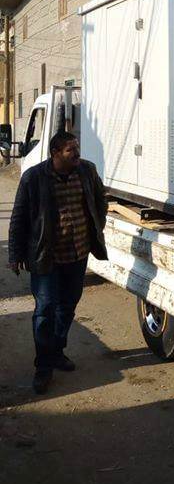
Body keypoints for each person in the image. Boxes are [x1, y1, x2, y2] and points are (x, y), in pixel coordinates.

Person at [8, 131, 108, 394]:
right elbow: (19, 217)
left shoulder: (87, 171)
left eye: (77, 148)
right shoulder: (34, 177)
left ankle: (56, 351)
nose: (77, 154)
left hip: (78, 254)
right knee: (45, 309)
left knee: (68, 305)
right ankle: (43, 366)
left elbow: (101, 199)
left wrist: (96, 226)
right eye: (70, 150)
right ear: (55, 153)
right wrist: (15, 254)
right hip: (46, 257)